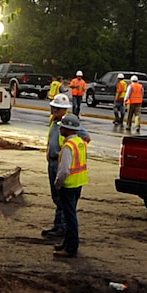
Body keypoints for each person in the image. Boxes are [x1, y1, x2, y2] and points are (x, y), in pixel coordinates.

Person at [41, 93, 90, 241]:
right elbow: (51, 138)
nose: (54, 110)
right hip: (53, 161)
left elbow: (86, 138)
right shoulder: (54, 121)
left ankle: (62, 228)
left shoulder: (68, 123)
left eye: (57, 108)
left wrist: (68, 154)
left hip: (62, 163)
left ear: (64, 110)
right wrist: (48, 151)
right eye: (54, 107)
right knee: (57, 197)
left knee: (63, 196)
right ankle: (58, 225)